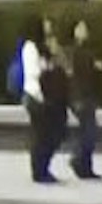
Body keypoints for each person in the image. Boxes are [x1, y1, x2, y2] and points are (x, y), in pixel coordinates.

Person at [19, 26, 68, 185]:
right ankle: (39, 171)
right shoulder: (30, 47)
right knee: (42, 135)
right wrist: (48, 66)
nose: (48, 26)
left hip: (51, 97)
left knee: (56, 133)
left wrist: (55, 54)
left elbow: (65, 68)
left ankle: (43, 166)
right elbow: (33, 72)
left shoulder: (49, 46)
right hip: (36, 96)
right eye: (45, 23)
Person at [58, 18, 102, 184]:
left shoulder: (87, 49)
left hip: (88, 95)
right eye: (80, 27)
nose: (84, 30)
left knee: (89, 130)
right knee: (90, 130)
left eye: (85, 27)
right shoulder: (71, 51)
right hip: (79, 96)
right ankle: (78, 159)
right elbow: (72, 75)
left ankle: (85, 166)